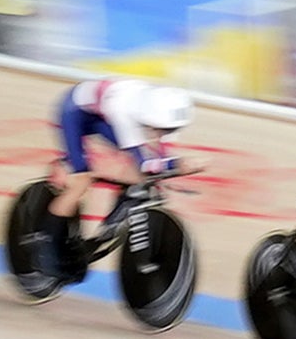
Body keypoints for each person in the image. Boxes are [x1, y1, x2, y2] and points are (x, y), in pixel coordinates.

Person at [36, 77, 202, 282]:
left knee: (142, 174)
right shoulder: (124, 111)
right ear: (149, 118)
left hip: (103, 115)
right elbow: (144, 163)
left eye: (170, 130)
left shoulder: (158, 113)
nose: (166, 134)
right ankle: (46, 247)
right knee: (81, 181)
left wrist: (168, 167)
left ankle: (121, 207)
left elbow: (160, 155)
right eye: (164, 130)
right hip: (76, 114)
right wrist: (175, 165)